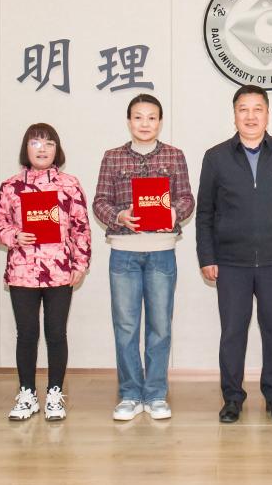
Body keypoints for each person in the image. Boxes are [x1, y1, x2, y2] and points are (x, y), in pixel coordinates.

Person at [196, 84, 272, 424]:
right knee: (233, 332)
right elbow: (204, 213)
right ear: (234, 115)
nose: (250, 116)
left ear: (267, 114)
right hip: (231, 262)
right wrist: (207, 257)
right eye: (243, 109)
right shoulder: (216, 157)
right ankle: (232, 398)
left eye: (257, 109)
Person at [92, 94, 194, 421]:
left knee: (160, 326)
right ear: (129, 121)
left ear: (160, 122)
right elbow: (100, 201)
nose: (145, 123)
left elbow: (187, 198)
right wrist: (119, 217)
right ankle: (130, 394)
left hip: (162, 251)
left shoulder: (175, 156)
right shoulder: (112, 157)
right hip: (123, 253)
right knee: (125, 326)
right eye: (138, 117)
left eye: (151, 117)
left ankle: (156, 394)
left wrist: (171, 213)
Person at [0, 123, 91, 421]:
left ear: (57, 149)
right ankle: (27, 394)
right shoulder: (11, 186)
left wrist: (80, 264)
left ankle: (55, 393)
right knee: (26, 334)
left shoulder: (69, 184)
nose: (42, 149)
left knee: (56, 333)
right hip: (22, 271)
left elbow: (81, 227)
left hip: (59, 271)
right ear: (26, 149)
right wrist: (14, 236)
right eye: (35, 143)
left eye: (49, 143)